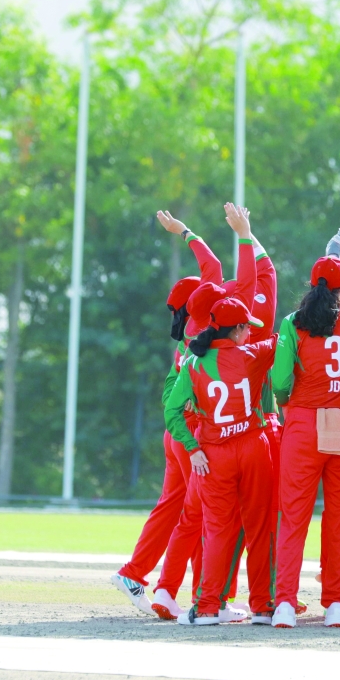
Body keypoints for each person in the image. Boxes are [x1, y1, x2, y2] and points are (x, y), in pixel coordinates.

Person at [270, 208, 340, 628]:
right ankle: (336, 603)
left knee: (294, 516)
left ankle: (284, 602)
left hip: (301, 421)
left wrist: (287, 404)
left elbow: (280, 378)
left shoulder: (292, 323)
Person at [164, 204, 278, 626]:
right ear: (236, 329)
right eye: (245, 324)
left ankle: (208, 606)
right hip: (253, 447)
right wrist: (245, 235)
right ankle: (264, 606)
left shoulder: (192, 362)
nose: (251, 327)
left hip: (211, 454)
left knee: (218, 531)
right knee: (260, 527)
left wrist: (191, 447)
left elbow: (172, 411)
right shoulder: (253, 353)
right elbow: (281, 337)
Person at [110, 210, 223, 615]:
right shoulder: (210, 323)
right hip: (194, 436)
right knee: (200, 515)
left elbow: (211, 271)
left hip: (175, 433)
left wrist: (183, 233)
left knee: (174, 509)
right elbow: (215, 267)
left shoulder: (189, 336)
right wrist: (187, 232)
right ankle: (190, 593)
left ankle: (137, 573)